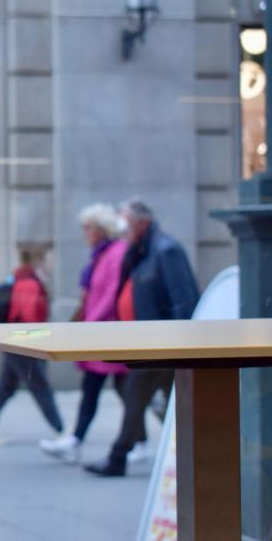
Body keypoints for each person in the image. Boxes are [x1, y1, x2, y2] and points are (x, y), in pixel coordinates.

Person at [83, 197, 199, 477]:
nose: (121, 231)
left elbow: (184, 300)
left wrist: (180, 344)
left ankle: (119, 456)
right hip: (144, 341)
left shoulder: (165, 250)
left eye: (126, 223)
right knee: (158, 399)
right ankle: (188, 449)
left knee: (137, 393)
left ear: (142, 223)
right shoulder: (139, 251)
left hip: (162, 343)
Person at [39, 203, 139, 464]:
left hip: (106, 330)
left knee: (103, 387)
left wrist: (90, 324)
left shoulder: (114, 253)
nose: (84, 232)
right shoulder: (103, 253)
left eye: (88, 227)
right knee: (118, 389)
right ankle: (138, 441)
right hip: (101, 329)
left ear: (101, 228)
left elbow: (110, 293)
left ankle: (78, 441)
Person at [0, 250, 64, 445]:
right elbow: (28, 319)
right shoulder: (30, 284)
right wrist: (43, 337)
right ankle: (61, 430)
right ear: (38, 261)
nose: (53, 265)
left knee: (5, 386)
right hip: (23, 345)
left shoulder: (22, 280)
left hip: (15, 343)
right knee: (40, 386)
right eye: (50, 259)